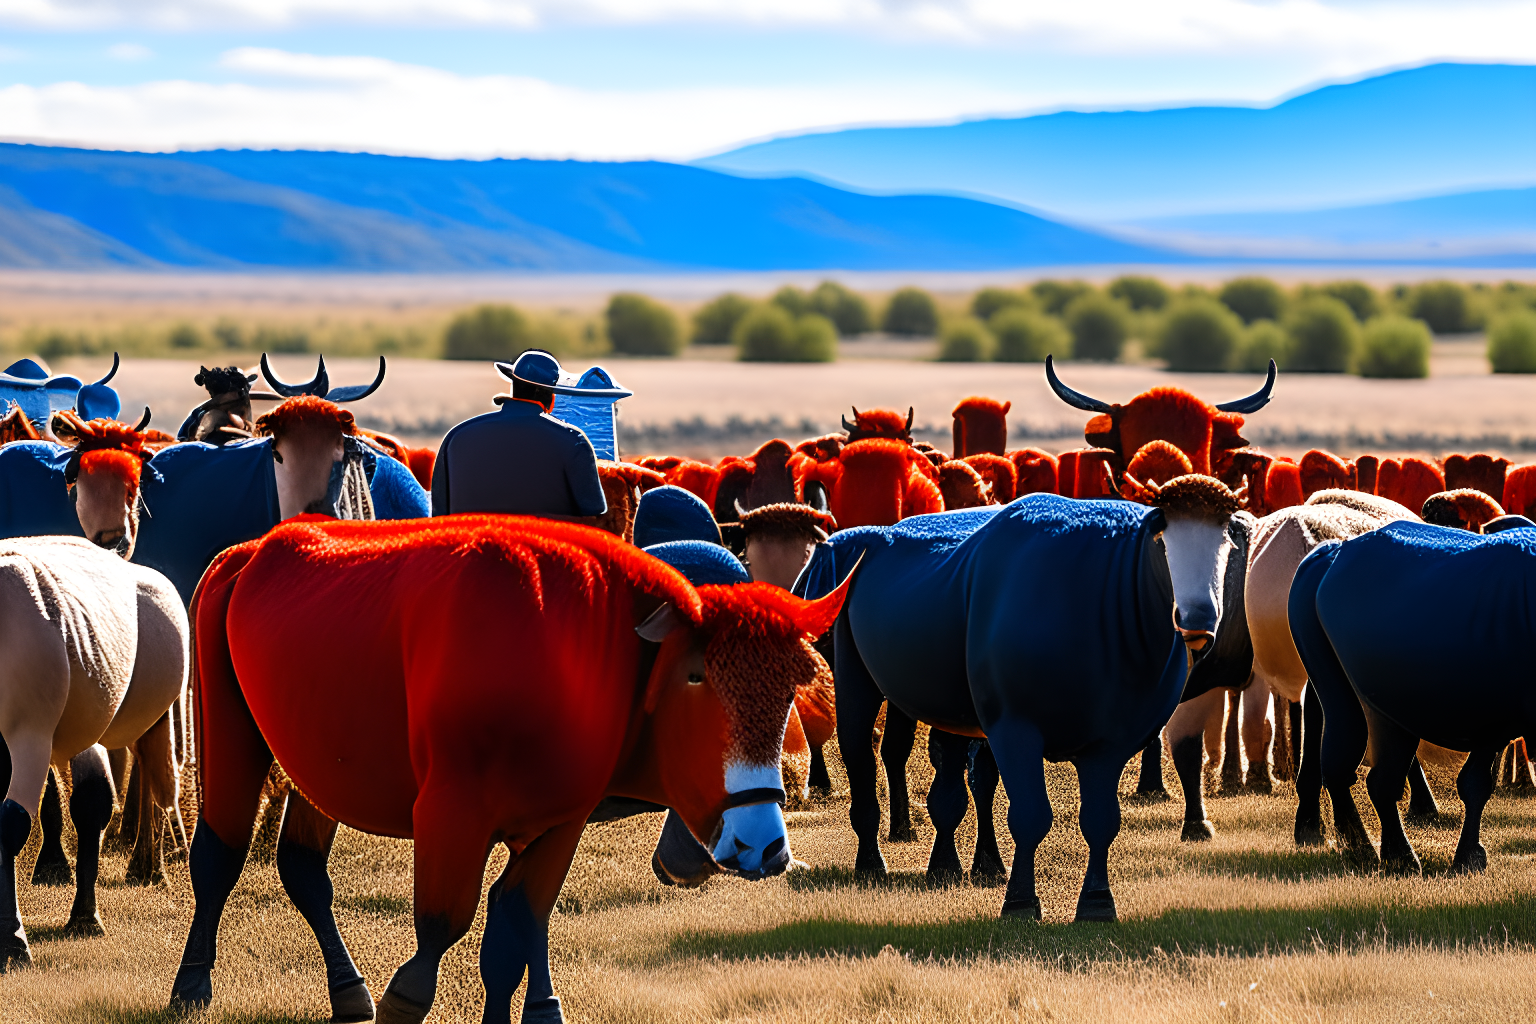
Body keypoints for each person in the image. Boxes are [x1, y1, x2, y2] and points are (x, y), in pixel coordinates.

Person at [431, 350, 607, 518]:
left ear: (514, 387)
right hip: (541, 547)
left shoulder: (456, 437)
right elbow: (596, 520)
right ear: (551, 398)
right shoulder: (573, 442)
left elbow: (439, 515)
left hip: (469, 546)